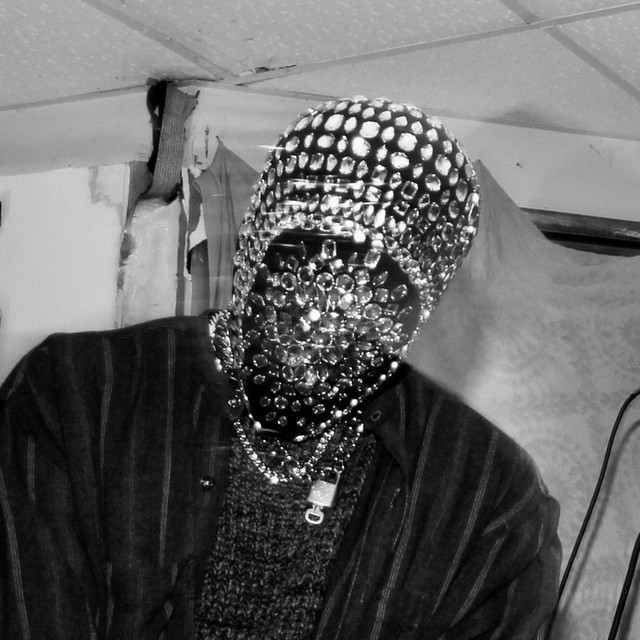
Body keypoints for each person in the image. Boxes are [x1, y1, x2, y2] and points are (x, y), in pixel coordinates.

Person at [0, 96, 561, 640]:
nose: (324, 316)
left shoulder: (487, 498)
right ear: (254, 248)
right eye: (304, 265)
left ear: (416, 318)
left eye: (375, 294)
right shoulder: (76, 396)